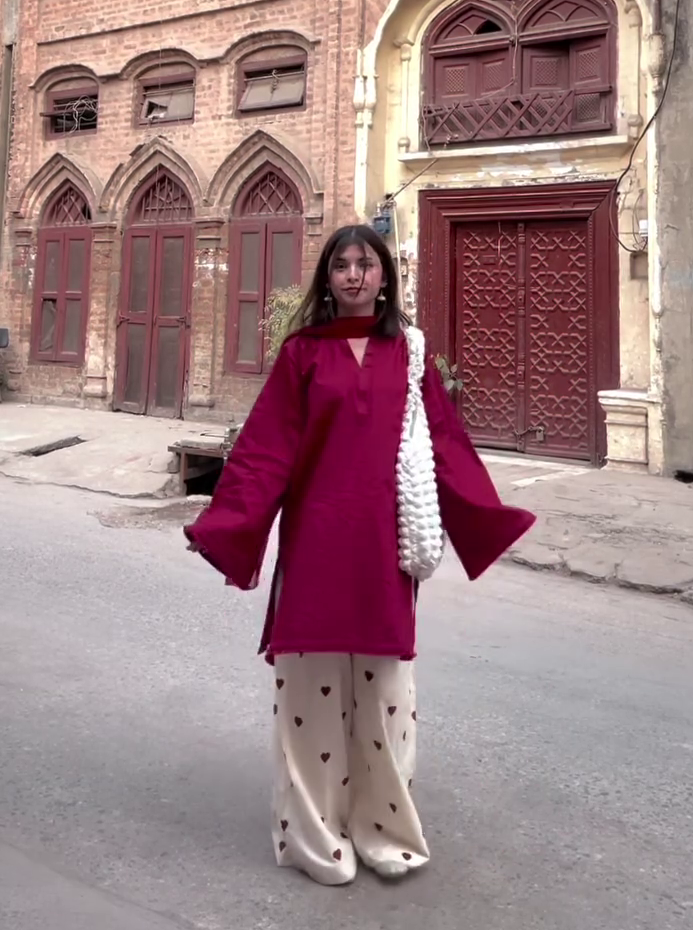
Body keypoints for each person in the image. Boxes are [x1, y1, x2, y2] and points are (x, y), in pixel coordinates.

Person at [185, 225, 534, 887]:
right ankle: (315, 838)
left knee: (385, 694)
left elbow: (445, 445)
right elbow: (265, 452)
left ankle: (384, 830)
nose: (353, 274)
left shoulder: (409, 355)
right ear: (327, 278)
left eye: (365, 264)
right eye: (341, 264)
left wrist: (487, 518)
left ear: (383, 276)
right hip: (315, 543)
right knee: (309, 692)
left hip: (383, 547)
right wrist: (225, 525)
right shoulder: (303, 355)